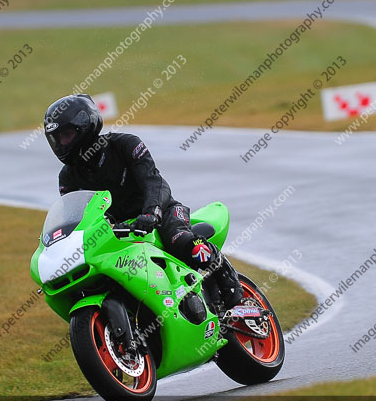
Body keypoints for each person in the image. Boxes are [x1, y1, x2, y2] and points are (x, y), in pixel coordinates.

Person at [43, 94, 244, 309]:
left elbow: (154, 181)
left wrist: (152, 212)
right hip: (119, 232)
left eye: (66, 134)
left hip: (162, 213)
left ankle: (228, 280)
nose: (62, 143)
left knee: (183, 242)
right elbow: (76, 216)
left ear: (85, 127)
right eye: (56, 138)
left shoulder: (125, 145)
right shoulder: (67, 177)